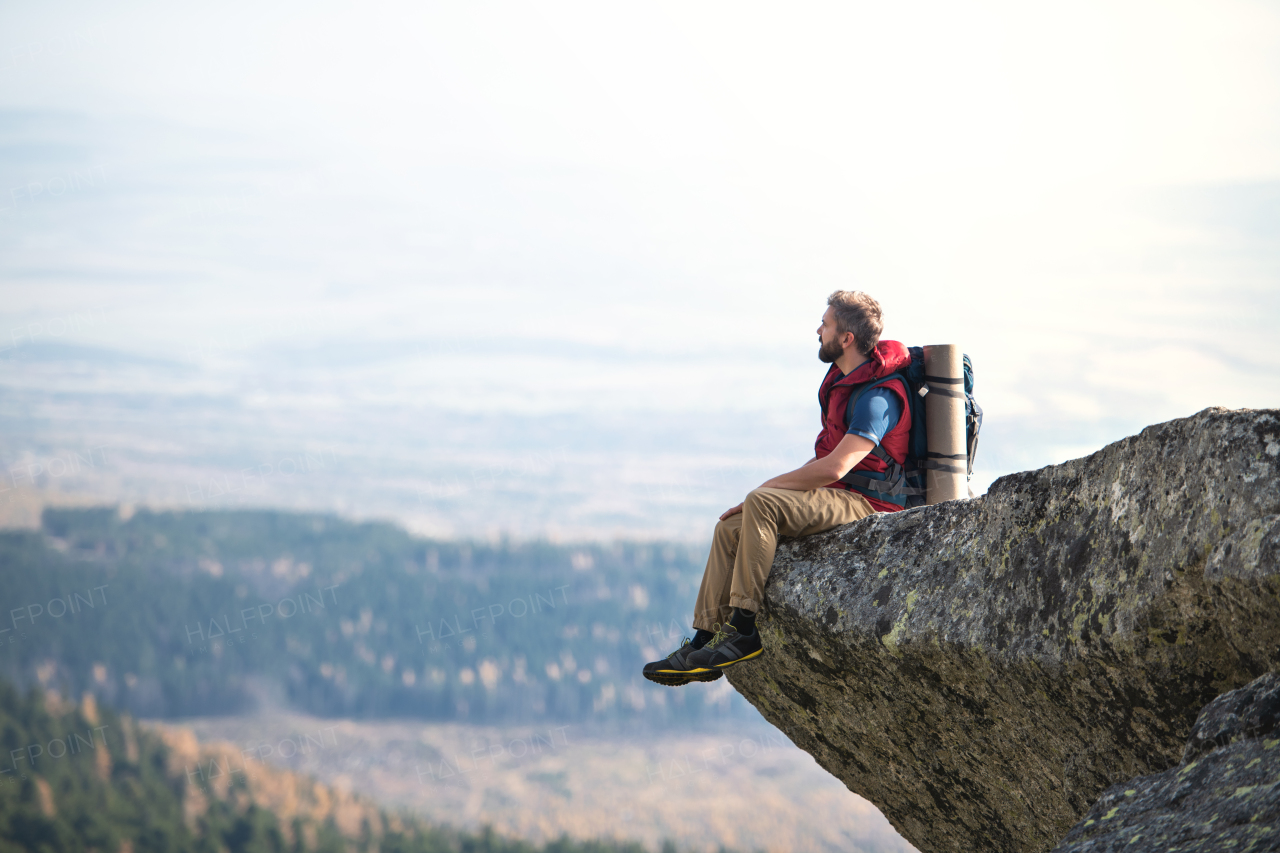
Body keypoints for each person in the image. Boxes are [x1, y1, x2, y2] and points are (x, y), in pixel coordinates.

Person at [643, 290, 913, 686]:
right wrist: (759, 500)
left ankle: (743, 628)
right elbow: (823, 462)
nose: (818, 330)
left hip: (870, 505)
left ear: (846, 338)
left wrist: (766, 491)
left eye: (826, 324)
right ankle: (703, 639)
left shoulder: (879, 396)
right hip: (841, 495)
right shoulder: (845, 382)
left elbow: (838, 466)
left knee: (762, 502)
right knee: (729, 527)